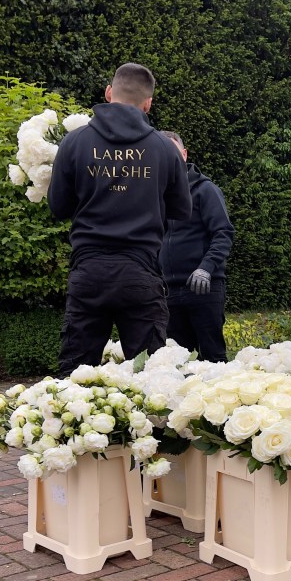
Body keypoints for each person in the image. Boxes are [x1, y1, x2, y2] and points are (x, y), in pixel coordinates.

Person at [48, 62, 191, 376]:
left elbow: (58, 206)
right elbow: (182, 210)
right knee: (150, 379)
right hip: (141, 273)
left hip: (89, 272)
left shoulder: (74, 143)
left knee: (73, 378)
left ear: (109, 92)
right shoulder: (164, 150)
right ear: (148, 103)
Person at [158, 131, 235, 362]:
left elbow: (223, 232)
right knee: (175, 362)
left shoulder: (205, 190)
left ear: (183, 154)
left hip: (204, 287)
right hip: (169, 292)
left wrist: (206, 268)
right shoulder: (156, 195)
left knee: (213, 358)